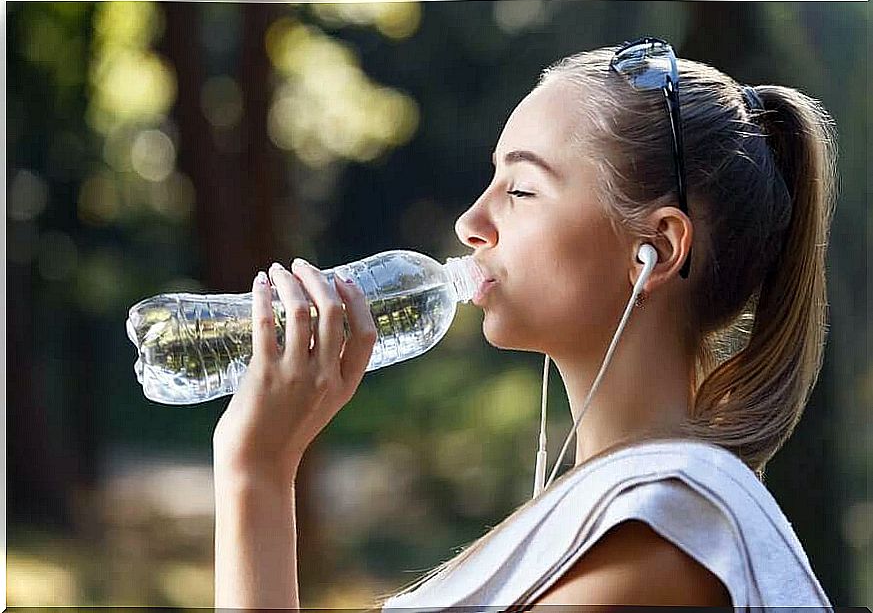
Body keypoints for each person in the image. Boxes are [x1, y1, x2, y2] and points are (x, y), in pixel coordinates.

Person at [212, 37, 837, 609]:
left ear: (658, 249)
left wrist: (257, 474)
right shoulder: (619, 513)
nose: (470, 223)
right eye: (494, 180)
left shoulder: (662, 537)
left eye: (522, 190)